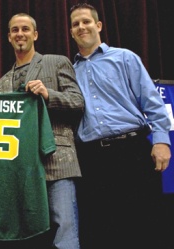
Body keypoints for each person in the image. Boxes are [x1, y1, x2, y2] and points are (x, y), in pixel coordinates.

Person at [0, 13, 84, 249]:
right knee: (24, 238)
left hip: (56, 162)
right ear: (8, 37)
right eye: (15, 30)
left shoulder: (56, 62)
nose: (20, 34)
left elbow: (77, 102)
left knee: (64, 231)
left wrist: (48, 94)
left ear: (35, 34)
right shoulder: (1, 83)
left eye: (25, 29)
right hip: (18, 170)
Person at [69, 3, 171, 249]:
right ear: (71, 32)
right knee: (101, 228)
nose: (81, 27)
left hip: (132, 151)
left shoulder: (125, 58)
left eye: (86, 21)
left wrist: (161, 140)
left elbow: (152, 101)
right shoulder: (68, 73)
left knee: (144, 224)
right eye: (75, 24)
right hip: (91, 159)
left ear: (99, 25)